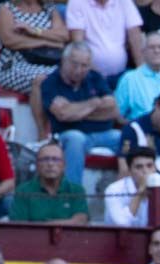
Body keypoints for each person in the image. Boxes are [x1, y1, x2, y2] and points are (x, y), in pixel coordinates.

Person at [37, 43, 124, 187]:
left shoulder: (95, 77)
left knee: (125, 136)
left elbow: (113, 110)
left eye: (84, 65)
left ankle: (124, 186)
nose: (79, 70)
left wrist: (74, 110)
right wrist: (94, 103)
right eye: (74, 64)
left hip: (102, 134)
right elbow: (62, 115)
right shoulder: (51, 82)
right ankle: (72, 194)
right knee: (75, 139)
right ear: (64, 61)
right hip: (67, 134)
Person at [0, 0, 69, 95]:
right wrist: (47, 42)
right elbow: (10, 41)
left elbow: (63, 35)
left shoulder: (49, 8)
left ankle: (64, 108)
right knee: (49, 78)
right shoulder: (7, 9)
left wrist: (34, 31)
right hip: (15, 65)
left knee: (70, 74)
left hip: (49, 62)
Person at [65, 0, 144, 87]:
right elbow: (78, 44)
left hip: (122, 74)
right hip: (90, 77)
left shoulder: (124, 2)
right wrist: (98, 78)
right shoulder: (77, 2)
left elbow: (135, 38)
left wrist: (142, 73)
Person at [9, 141, 90, 224]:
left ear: (64, 165)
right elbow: (19, 227)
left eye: (55, 159)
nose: (50, 164)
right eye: (45, 159)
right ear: (37, 165)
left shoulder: (76, 190)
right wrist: (65, 223)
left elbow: (80, 221)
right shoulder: (23, 190)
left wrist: (46, 225)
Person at [104, 146, 160, 228]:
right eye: (139, 167)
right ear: (130, 171)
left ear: (155, 168)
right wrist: (140, 192)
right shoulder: (114, 190)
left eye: (149, 166)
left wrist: (157, 194)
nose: (145, 171)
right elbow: (121, 224)